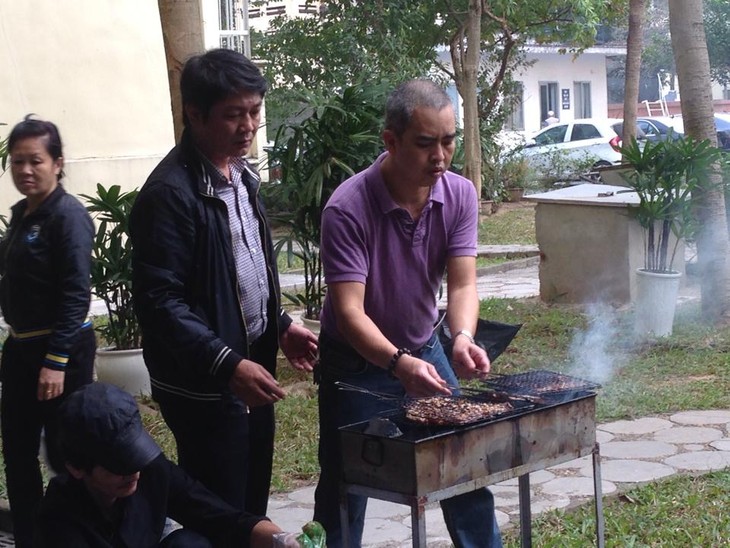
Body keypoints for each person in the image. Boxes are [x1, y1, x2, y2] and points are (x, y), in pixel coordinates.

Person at [313, 79, 503, 548]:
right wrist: (397, 364)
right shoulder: (348, 208)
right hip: (354, 363)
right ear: (391, 141)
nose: (440, 156)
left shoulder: (458, 194)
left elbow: (462, 283)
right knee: (344, 489)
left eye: (448, 140)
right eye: (425, 143)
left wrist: (461, 337)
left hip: (425, 348)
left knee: (464, 469)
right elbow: (349, 312)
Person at [129, 48, 318, 516]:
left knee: (252, 494)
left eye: (255, 112)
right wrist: (227, 364)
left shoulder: (241, 177)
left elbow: (242, 273)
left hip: (250, 364)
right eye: (234, 115)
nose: (249, 126)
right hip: (205, 383)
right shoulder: (170, 195)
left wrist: (279, 324)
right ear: (195, 113)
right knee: (220, 507)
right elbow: (160, 303)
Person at [35, 381, 296, 547]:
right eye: (119, 466)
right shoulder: (58, 520)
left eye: (135, 457)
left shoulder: (150, 470)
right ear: (76, 468)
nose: (133, 471)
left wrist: (279, 539)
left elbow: (218, 516)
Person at [0, 116, 96, 548]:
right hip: (20, 350)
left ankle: (79, 537)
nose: (25, 170)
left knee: (67, 457)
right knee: (17, 457)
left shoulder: (68, 217)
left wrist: (56, 362)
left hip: (61, 354)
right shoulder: (22, 215)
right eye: (17, 162)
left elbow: (76, 293)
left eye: (35, 160)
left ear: (58, 163)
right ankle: (29, 540)